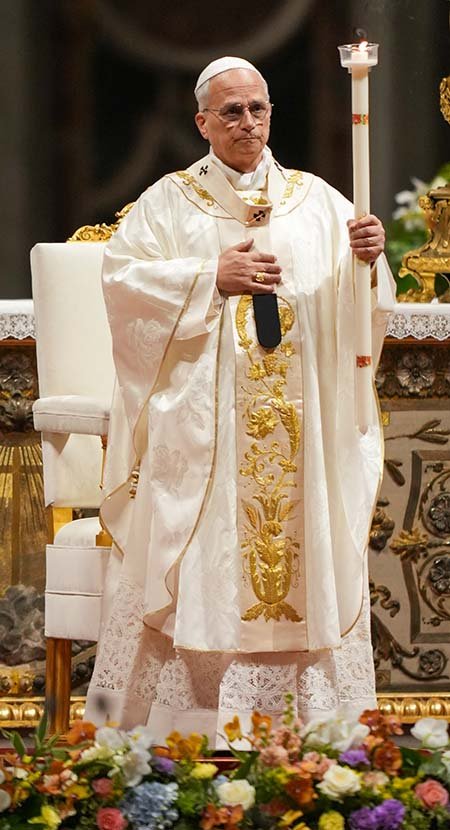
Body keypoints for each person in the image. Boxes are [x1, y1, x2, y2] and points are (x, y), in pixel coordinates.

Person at [85, 56, 395, 745]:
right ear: (203, 123)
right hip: (205, 434)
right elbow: (123, 285)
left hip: (302, 433)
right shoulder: (168, 202)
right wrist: (209, 278)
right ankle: (172, 735)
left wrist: (370, 264)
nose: (248, 122)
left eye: (258, 108)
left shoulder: (319, 201)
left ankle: (319, 737)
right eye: (231, 111)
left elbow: (358, 312)